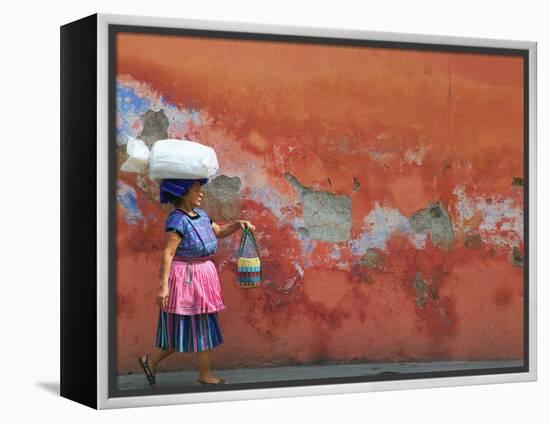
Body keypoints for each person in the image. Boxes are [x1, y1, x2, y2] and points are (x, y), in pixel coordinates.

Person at [138, 178, 256, 387]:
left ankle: (151, 361)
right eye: (196, 190)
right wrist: (163, 287)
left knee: (193, 327)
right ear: (183, 193)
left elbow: (219, 232)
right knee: (194, 326)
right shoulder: (177, 221)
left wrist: (238, 224)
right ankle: (204, 374)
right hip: (186, 278)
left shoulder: (201, 215)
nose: (201, 194)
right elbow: (168, 252)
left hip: (203, 276)